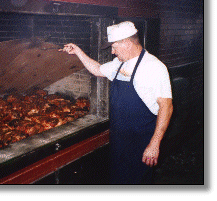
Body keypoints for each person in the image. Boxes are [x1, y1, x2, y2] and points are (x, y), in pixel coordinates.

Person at [60, 21, 173, 184]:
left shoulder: (154, 67)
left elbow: (166, 107)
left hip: (141, 142)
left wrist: (154, 144)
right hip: (119, 140)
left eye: (114, 47)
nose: (112, 52)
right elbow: (97, 70)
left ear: (127, 43)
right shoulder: (119, 63)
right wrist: (78, 51)